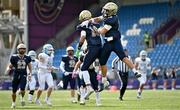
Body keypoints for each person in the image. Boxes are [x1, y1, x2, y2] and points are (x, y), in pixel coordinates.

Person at [90, 2, 141, 87]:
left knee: (123, 57)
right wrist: (89, 20)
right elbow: (98, 18)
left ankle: (135, 71)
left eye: (107, 10)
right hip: (108, 42)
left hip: (115, 42)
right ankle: (104, 79)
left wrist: (95, 29)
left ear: (111, 12)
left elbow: (102, 32)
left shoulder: (112, 20)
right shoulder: (109, 17)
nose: (104, 11)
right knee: (102, 62)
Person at [75, 10, 102, 102]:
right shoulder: (96, 25)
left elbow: (82, 37)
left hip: (93, 47)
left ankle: (88, 87)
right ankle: (104, 80)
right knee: (98, 64)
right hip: (100, 47)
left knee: (83, 69)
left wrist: (78, 48)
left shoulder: (84, 27)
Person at [6, 43, 32, 109]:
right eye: (21, 49)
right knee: (14, 91)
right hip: (16, 74)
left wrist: (30, 74)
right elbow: (11, 65)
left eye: (24, 49)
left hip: (23, 74)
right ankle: (13, 103)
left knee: (23, 89)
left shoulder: (27, 57)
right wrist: (8, 68)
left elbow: (29, 66)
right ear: (18, 50)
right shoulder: (14, 57)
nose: (22, 50)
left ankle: (22, 98)